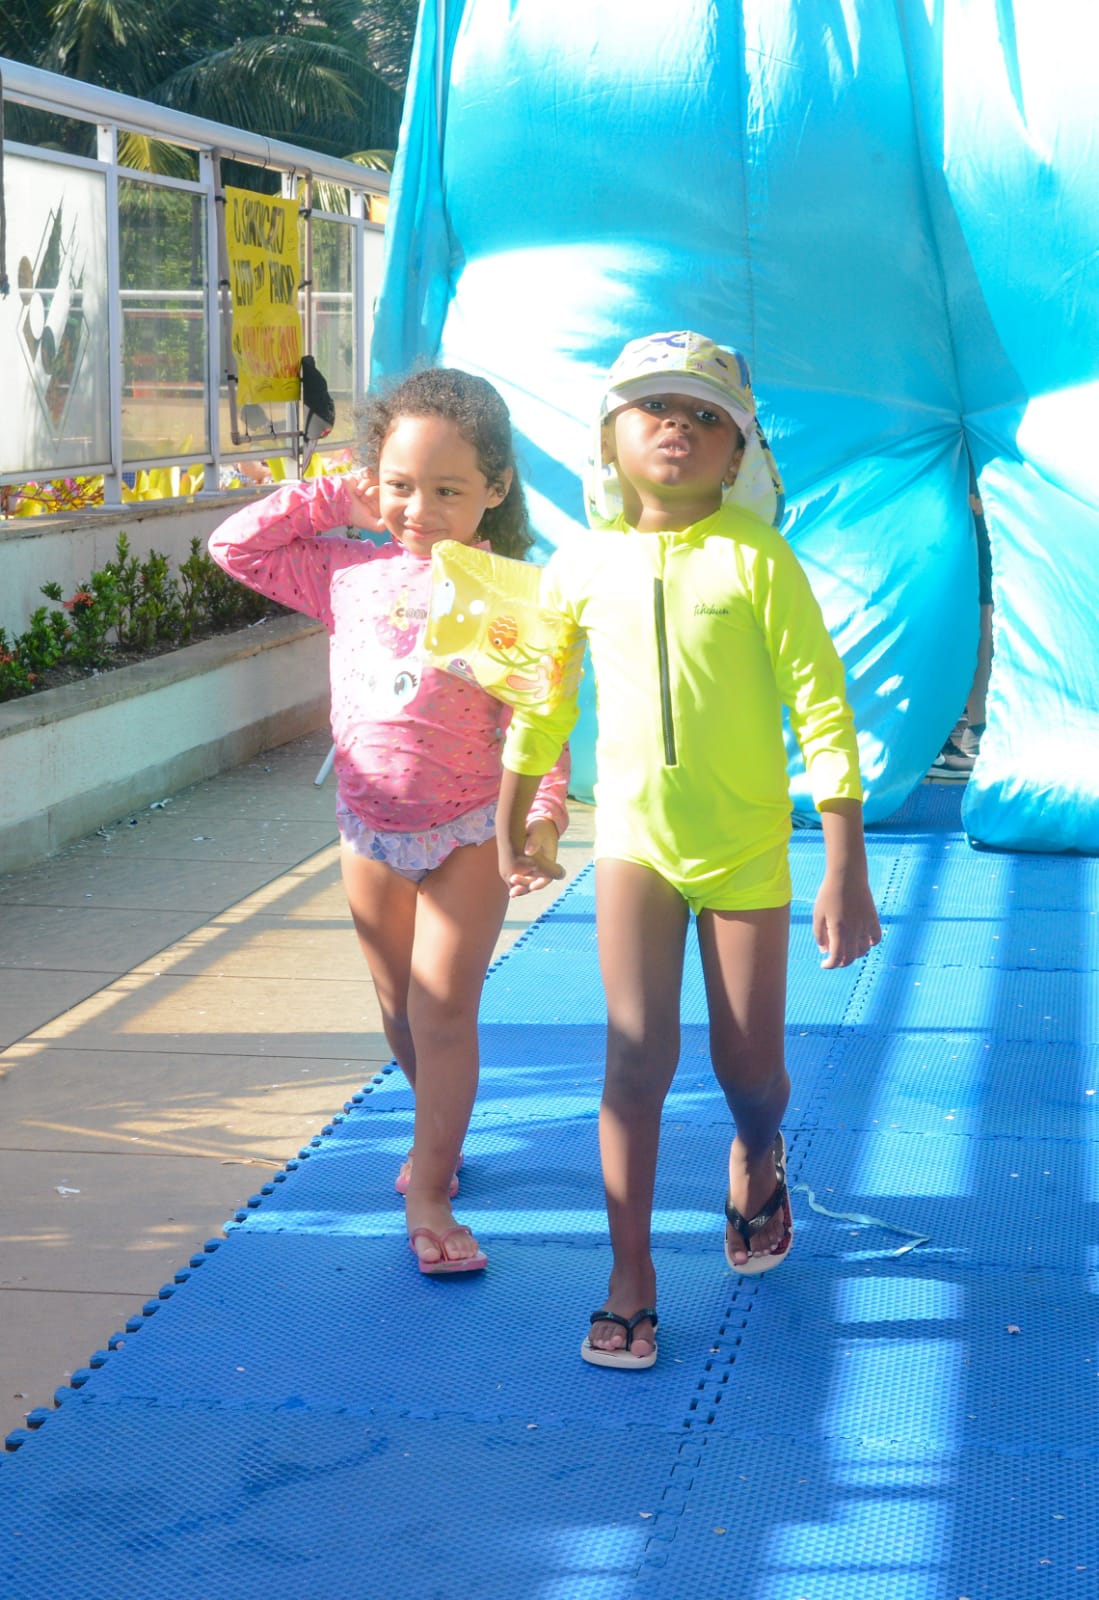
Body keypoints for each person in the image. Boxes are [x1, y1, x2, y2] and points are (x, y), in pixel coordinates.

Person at [496, 331, 881, 1367]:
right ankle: (630, 1276)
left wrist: (842, 860)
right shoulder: (580, 564)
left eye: (707, 415)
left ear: (740, 452)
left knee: (747, 1068)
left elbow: (821, 707)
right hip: (636, 845)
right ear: (608, 439)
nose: (678, 425)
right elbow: (544, 700)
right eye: (654, 408)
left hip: (744, 849)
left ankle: (757, 1150)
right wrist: (514, 810)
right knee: (635, 1056)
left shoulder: (759, 559)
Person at [209, 368, 570, 1274]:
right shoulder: (345, 571)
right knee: (399, 1015)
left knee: (442, 1011)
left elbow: (540, 720)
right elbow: (233, 546)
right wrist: (343, 495)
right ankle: (437, 1127)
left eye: (448, 490)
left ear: (495, 490)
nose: (420, 509)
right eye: (400, 485)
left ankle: (431, 1189)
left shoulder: (509, 593)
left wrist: (541, 816)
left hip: (467, 831)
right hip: (368, 830)